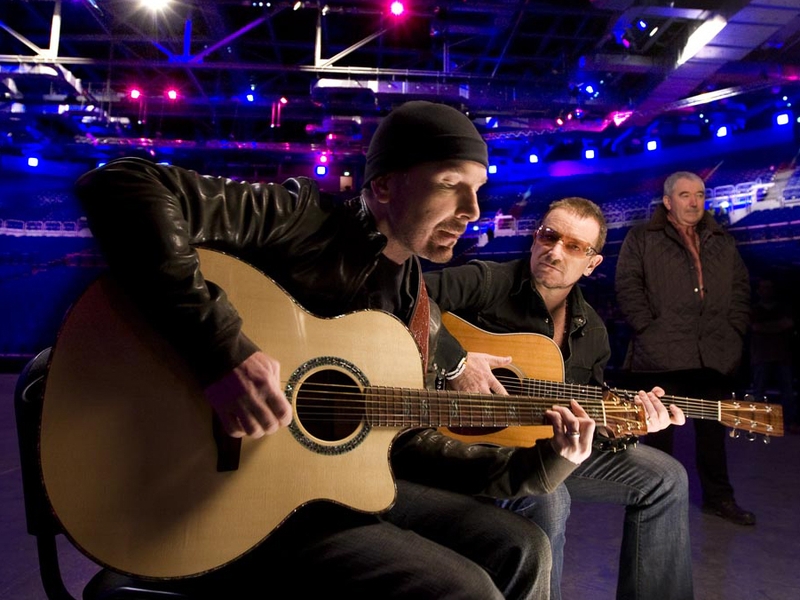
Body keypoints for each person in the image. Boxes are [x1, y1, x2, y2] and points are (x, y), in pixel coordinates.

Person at [74, 100, 597, 599]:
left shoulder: (413, 298)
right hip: (226, 492)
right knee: (466, 590)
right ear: (385, 185)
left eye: (477, 190)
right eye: (449, 185)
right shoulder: (307, 221)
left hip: (328, 484)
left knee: (522, 547)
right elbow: (121, 184)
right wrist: (221, 352)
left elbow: (408, 442)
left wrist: (540, 465)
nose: (472, 211)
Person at [425, 196, 694, 600]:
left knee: (667, 477)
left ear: (592, 263)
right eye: (549, 237)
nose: (555, 251)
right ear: (535, 238)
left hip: (544, 444)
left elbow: (586, 421)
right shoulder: (488, 280)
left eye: (574, 246)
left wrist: (621, 425)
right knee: (549, 494)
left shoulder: (593, 332)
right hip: (463, 438)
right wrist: (457, 362)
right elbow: (407, 297)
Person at [615, 170, 755, 526]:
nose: (694, 202)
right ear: (667, 201)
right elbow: (628, 285)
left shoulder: (723, 240)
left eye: (700, 195)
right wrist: (648, 328)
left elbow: (740, 288)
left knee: (713, 434)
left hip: (713, 351)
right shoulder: (642, 237)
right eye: (685, 195)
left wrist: (734, 330)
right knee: (660, 433)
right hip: (661, 354)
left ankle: (719, 498)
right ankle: (655, 500)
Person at [749, 275, 798, 433]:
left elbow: (788, 324)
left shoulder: (783, 308)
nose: (767, 291)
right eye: (764, 288)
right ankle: (757, 422)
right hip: (761, 356)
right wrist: (777, 327)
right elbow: (755, 327)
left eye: (769, 288)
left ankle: (790, 422)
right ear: (758, 291)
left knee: (788, 393)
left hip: (782, 355)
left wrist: (766, 328)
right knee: (758, 392)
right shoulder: (754, 310)